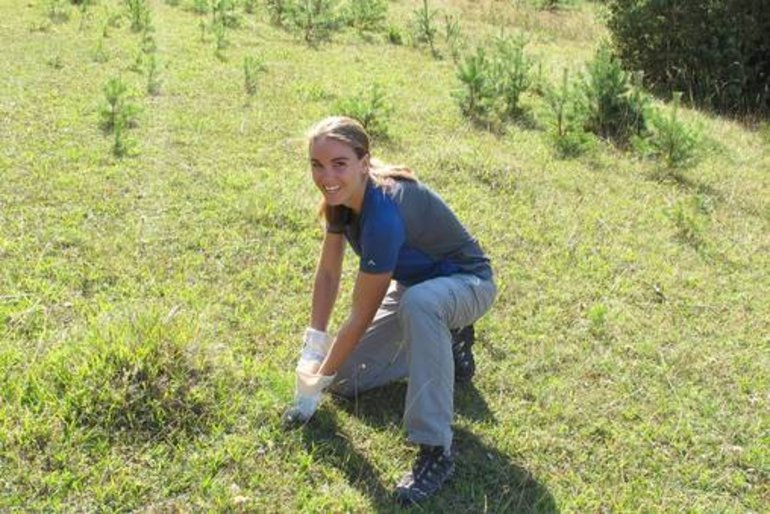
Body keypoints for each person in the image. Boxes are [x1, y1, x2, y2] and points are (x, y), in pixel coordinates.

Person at [283, 116, 496, 504]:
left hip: (467, 284)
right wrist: (315, 348)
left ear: (364, 162)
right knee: (345, 380)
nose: (326, 176)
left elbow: (359, 314)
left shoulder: (383, 213)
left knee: (420, 305)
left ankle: (435, 450)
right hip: (417, 288)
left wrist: (314, 385)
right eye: (317, 164)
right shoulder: (342, 198)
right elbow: (328, 274)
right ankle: (444, 346)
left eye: (339, 164)